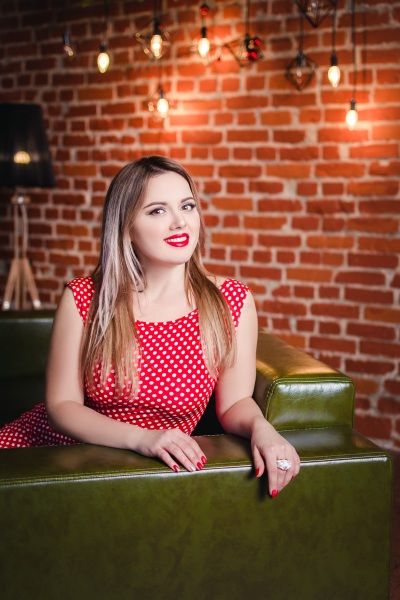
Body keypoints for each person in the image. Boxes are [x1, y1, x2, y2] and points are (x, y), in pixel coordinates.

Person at [0, 155, 300, 497]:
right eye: (157, 211)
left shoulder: (232, 301)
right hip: (49, 458)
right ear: (126, 227)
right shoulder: (84, 297)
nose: (179, 222)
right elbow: (61, 407)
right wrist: (143, 439)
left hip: (140, 479)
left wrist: (263, 429)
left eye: (187, 206)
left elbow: (234, 403)